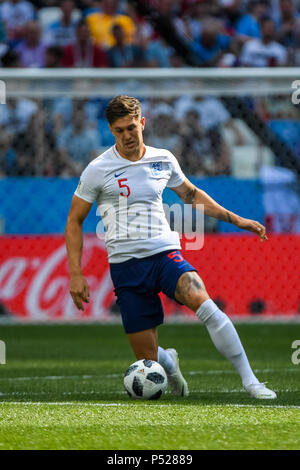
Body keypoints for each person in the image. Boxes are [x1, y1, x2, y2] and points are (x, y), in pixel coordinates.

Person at [65, 95, 276, 399]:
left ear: (143, 123)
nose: (126, 136)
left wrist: (237, 220)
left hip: (165, 255)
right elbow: (74, 221)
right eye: (120, 130)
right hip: (126, 268)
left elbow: (191, 195)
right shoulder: (98, 170)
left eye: (131, 128)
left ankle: (251, 381)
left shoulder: (163, 159)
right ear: (111, 130)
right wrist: (76, 274)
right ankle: (168, 361)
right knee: (148, 362)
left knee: (207, 307)